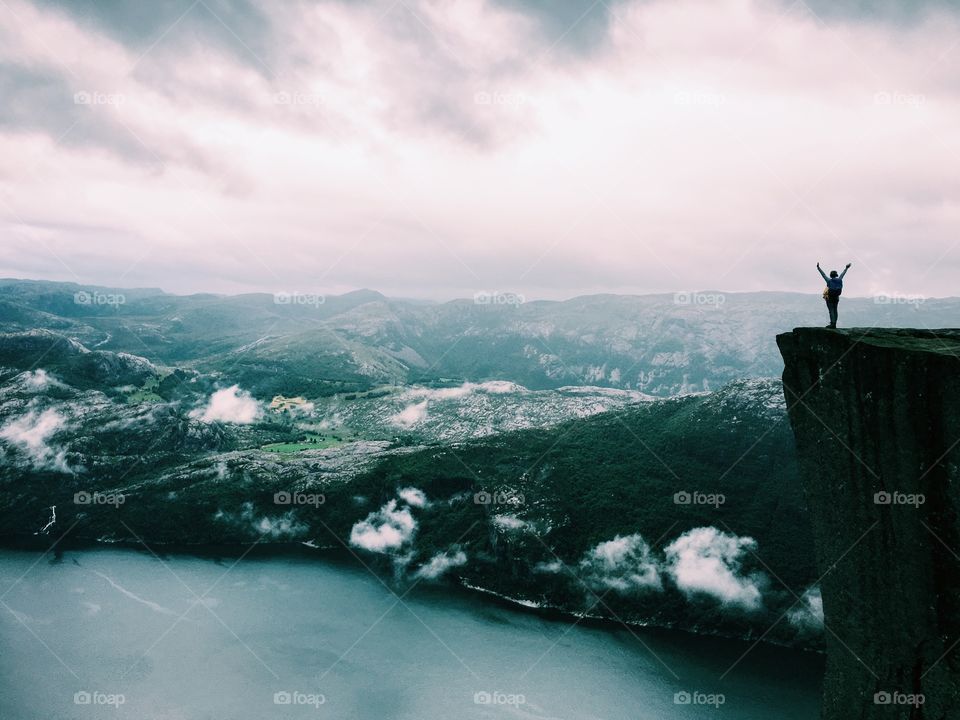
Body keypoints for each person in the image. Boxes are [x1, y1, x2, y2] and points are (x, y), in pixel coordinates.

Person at [817, 261, 852, 328]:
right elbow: (843, 274)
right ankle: (835, 323)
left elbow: (823, 274)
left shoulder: (828, 280)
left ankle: (832, 324)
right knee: (835, 310)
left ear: (830, 275)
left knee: (831, 310)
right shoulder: (839, 280)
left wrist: (818, 268)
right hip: (836, 297)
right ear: (836, 275)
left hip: (829, 297)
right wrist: (846, 268)